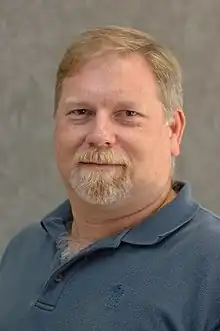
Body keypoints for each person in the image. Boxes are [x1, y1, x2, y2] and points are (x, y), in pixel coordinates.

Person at [0, 25, 220, 331]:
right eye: (80, 112)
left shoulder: (212, 267)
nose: (99, 135)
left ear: (173, 131)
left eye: (127, 114)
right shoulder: (23, 251)